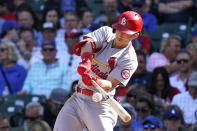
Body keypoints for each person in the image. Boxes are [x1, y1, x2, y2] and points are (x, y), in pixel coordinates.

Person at [54, 10, 143, 131]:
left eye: (125, 32)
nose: (120, 34)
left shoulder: (130, 59)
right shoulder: (106, 32)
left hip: (100, 104)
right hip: (78, 97)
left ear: (134, 35)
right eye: (119, 29)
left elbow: (111, 83)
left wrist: (95, 81)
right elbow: (88, 43)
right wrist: (86, 61)